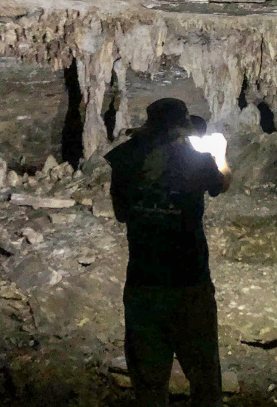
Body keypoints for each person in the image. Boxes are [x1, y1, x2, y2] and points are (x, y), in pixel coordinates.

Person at [105, 98, 232, 407]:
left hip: (143, 283)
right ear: (182, 125)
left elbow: (121, 213)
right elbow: (223, 183)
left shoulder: (125, 158)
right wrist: (220, 155)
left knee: (148, 382)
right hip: (190, 282)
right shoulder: (195, 159)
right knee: (204, 377)